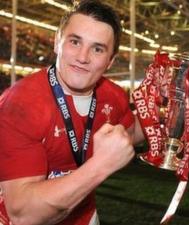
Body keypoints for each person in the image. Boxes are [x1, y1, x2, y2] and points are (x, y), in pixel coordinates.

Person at [0, 1, 137, 224]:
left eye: (97, 48)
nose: (82, 57)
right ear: (57, 42)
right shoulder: (19, 105)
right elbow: (23, 214)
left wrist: (178, 107)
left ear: (110, 61)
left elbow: (131, 133)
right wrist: (100, 166)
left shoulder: (114, 96)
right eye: (75, 41)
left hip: (85, 215)